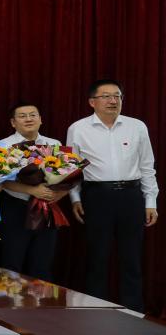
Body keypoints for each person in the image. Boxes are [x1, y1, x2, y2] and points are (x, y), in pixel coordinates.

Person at [68, 80, 158, 312]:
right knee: (97, 258)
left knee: (132, 259)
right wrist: (75, 199)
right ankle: (96, 313)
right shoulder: (78, 128)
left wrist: (150, 201)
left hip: (131, 196)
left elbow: (147, 166)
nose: (113, 101)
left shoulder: (136, 126)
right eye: (106, 96)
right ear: (92, 102)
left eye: (117, 96)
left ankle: (134, 313)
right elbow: (71, 169)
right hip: (97, 197)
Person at [0, 102, 64, 282]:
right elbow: (0, 181)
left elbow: (67, 176)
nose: (28, 119)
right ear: (13, 122)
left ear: (40, 119)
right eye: (22, 116)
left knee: (42, 263)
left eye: (33, 115)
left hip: (46, 207)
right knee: (12, 262)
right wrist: (32, 190)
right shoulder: (4, 146)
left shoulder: (54, 144)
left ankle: (41, 300)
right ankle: (10, 300)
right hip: (15, 207)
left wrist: (58, 194)